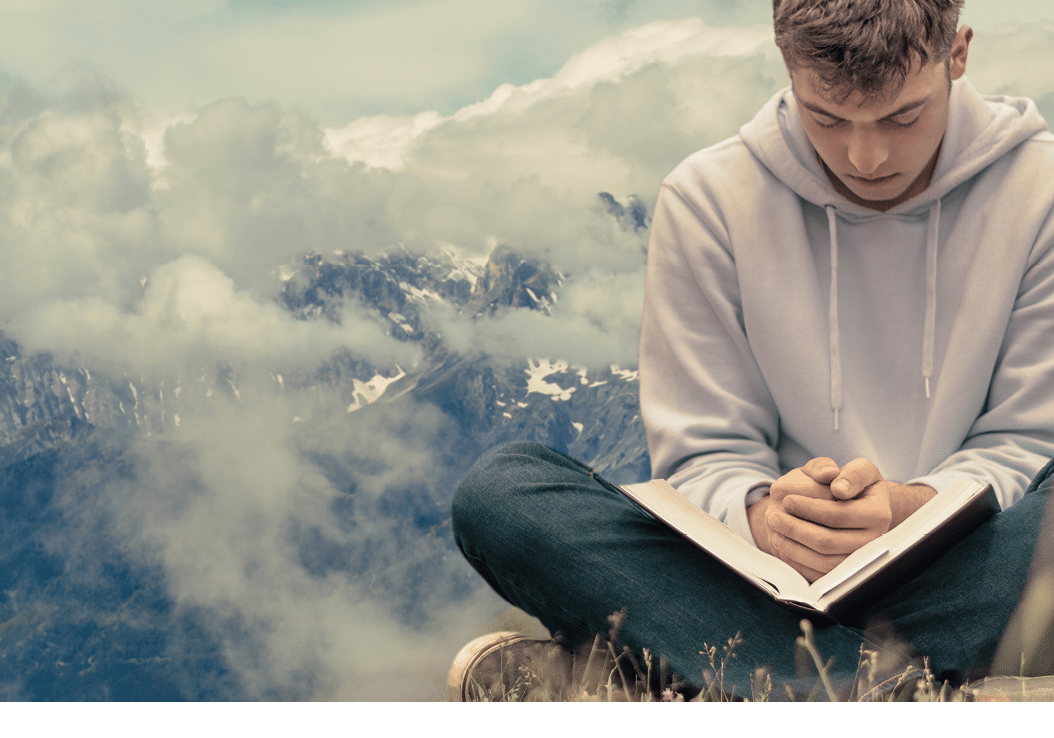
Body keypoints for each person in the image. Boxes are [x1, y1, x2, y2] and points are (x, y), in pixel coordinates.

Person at [448, 0, 1054, 701]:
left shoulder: (1040, 191)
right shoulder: (707, 198)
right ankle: (866, 685)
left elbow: (1028, 442)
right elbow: (703, 454)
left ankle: (734, 673)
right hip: (758, 580)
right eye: (826, 117)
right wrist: (766, 518)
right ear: (788, 65)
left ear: (958, 54)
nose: (866, 157)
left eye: (901, 117)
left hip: (972, 565)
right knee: (501, 494)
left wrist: (907, 508)